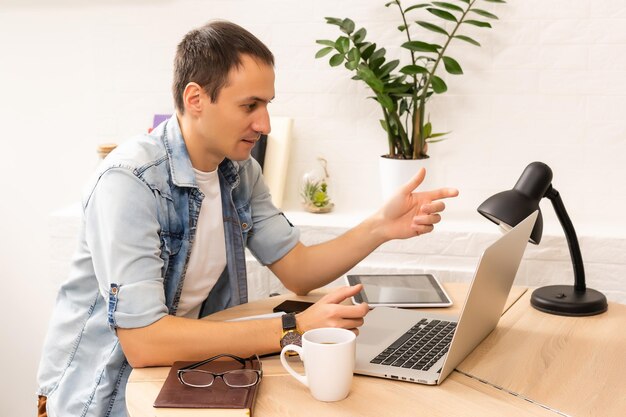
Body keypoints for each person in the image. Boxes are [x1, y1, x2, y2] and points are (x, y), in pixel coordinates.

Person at [36, 20, 459, 417]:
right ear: (195, 99)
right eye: (250, 105)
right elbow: (143, 341)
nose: (265, 123)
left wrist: (380, 226)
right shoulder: (129, 183)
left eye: (267, 105)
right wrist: (292, 327)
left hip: (184, 372)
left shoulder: (238, 172)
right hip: (105, 392)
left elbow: (298, 270)